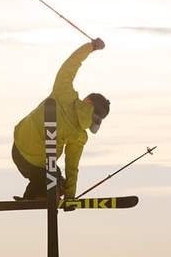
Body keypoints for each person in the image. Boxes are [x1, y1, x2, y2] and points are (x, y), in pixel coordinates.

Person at [12, 38, 109, 200]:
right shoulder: (79, 136)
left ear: (88, 101)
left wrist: (91, 47)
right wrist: (70, 195)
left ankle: (36, 193)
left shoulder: (64, 92)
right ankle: (52, 190)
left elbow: (71, 64)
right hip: (40, 164)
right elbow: (72, 166)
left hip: (18, 149)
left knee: (51, 174)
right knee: (56, 177)